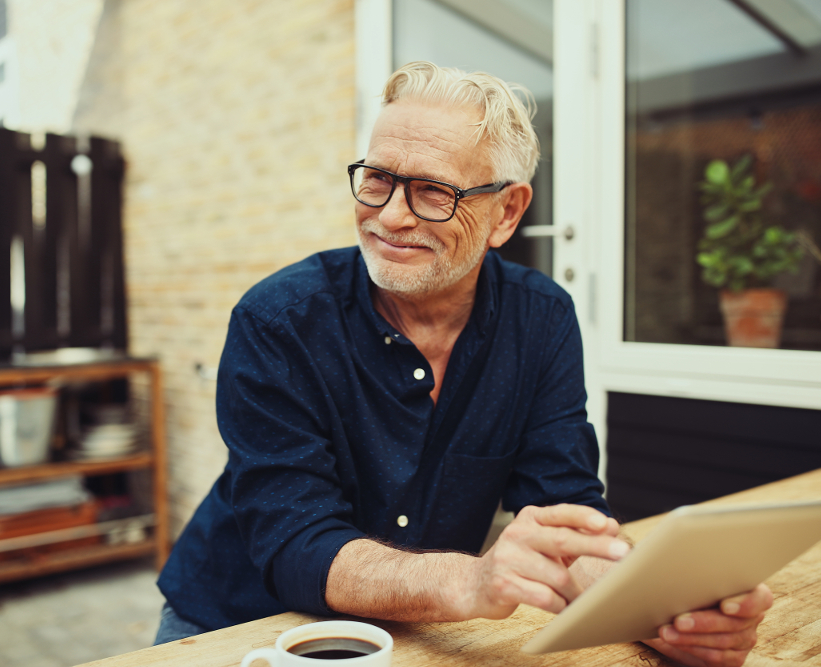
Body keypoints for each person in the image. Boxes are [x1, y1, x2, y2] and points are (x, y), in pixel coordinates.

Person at [155, 61, 772, 667]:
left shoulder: (541, 319)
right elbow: (296, 543)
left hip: (415, 638)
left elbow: (565, 509)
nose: (391, 215)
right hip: (233, 629)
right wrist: (471, 583)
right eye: (376, 179)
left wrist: (662, 611)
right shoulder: (278, 320)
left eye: (433, 192)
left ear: (506, 212)